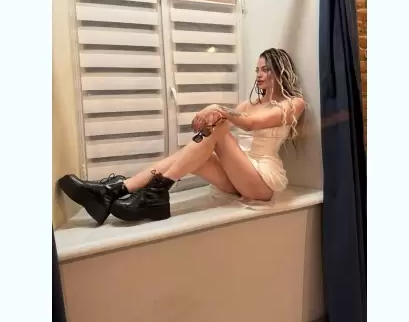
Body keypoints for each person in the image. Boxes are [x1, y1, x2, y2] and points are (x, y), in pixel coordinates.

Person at [58, 48, 306, 225]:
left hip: (261, 180)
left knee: (219, 127)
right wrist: (210, 122)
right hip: (239, 175)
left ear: (279, 71)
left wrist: (217, 109)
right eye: (257, 70)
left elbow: (251, 125)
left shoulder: (294, 103)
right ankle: (115, 190)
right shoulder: (248, 104)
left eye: (265, 69)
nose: (259, 74)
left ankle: (151, 193)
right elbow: (223, 129)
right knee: (195, 151)